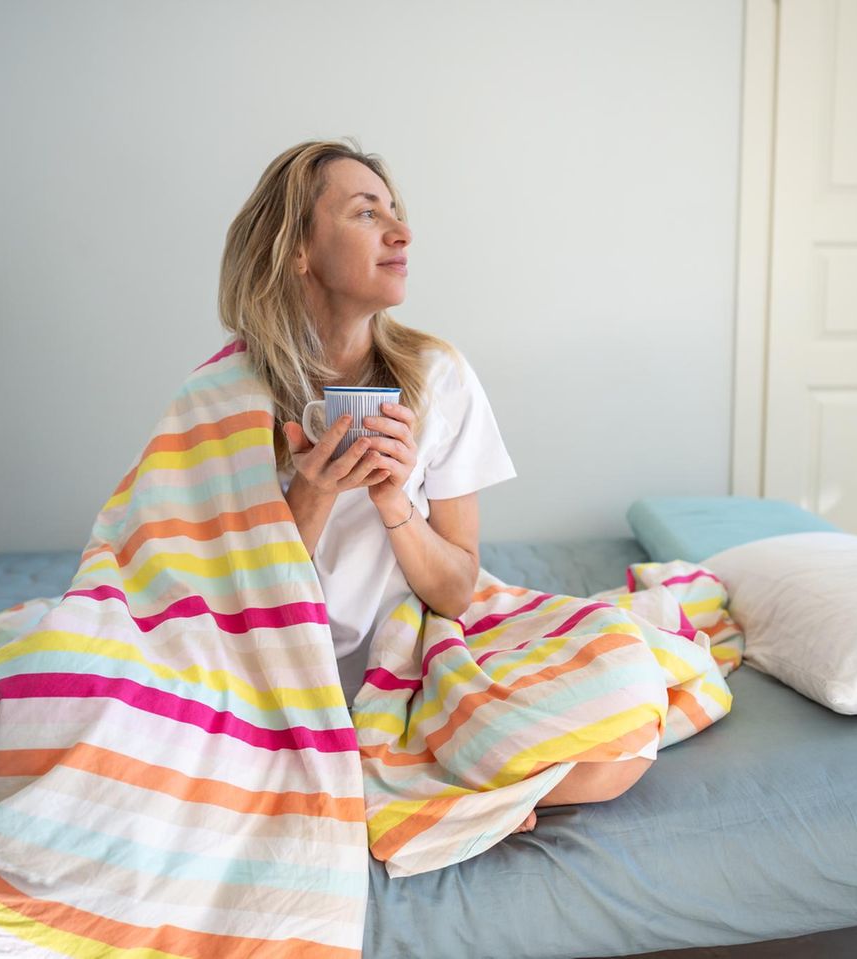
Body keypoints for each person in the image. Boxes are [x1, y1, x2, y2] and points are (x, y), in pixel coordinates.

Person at [217, 139, 653, 835]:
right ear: (298, 249)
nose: (403, 232)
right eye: (367, 214)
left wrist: (395, 504)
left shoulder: (434, 374)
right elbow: (223, 602)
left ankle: (400, 783)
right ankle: (426, 792)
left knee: (622, 705)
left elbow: (454, 588)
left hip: (409, 655)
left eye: (396, 212)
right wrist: (315, 489)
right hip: (266, 667)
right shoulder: (227, 394)